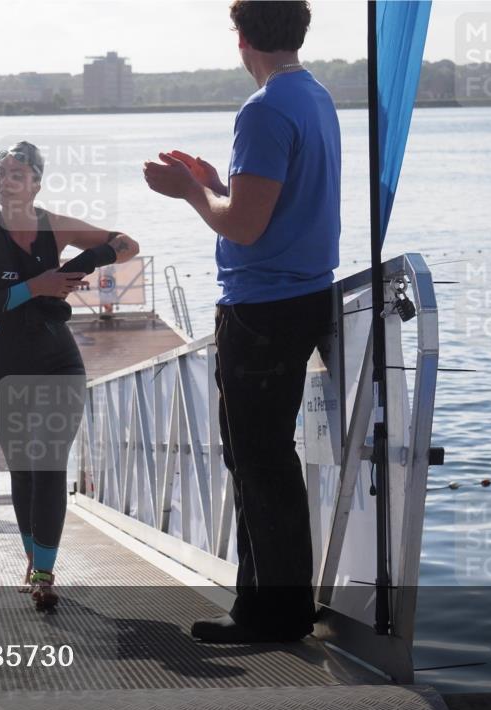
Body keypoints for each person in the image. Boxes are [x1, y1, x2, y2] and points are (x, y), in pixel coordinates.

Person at [143, 0, 339, 643]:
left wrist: (190, 192)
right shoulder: (315, 97)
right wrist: (214, 181)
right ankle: (279, 604)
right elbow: (272, 206)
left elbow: (245, 227)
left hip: (261, 308)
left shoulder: (264, 109)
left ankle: (270, 613)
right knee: (267, 457)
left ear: (241, 37)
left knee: (257, 459)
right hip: (302, 297)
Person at [0, 140, 140, 610]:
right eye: (2, 174)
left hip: (59, 361)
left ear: (36, 183)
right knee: (24, 469)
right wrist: (36, 286)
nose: (6, 182)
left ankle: (44, 572)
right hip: (4, 368)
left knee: (51, 463)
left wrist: (80, 266)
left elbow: (126, 244)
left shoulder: (55, 226)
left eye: (17, 175)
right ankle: (32, 561)